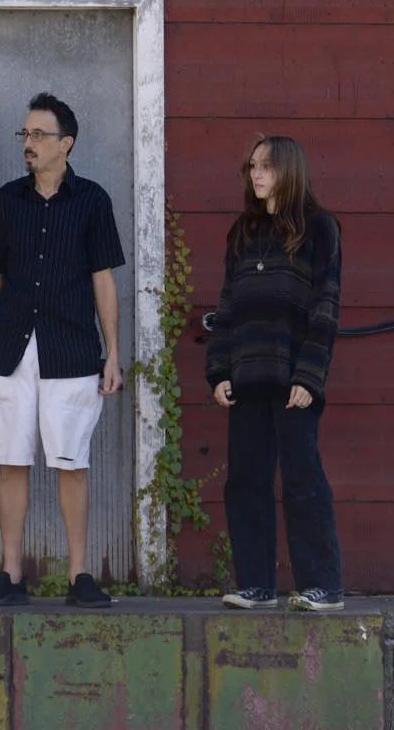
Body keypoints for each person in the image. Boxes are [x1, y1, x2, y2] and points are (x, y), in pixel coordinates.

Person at [0, 93, 125, 608]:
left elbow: (103, 281)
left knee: (71, 463)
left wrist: (113, 351)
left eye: (38, 135)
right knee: (11, 460)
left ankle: (79, 576)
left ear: (65, 144)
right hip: (9, 349)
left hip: (72, 350)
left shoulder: (93, 201)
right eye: (24, 135)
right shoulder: (8, 200)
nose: (27, 144)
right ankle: (10, 575)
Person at [207, 135, 343, 612]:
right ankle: (257, 585)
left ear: (290, 171)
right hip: (247, 378)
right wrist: (219, 371)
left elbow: (325, 308)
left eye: (266, 166)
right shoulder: (242, 232)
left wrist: (309, 377)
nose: (256, 175)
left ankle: (322, 585)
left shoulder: (320, 229)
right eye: (252, 167)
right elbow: (227, 306)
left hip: (293, 381)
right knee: (245, 480)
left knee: (303, 478)